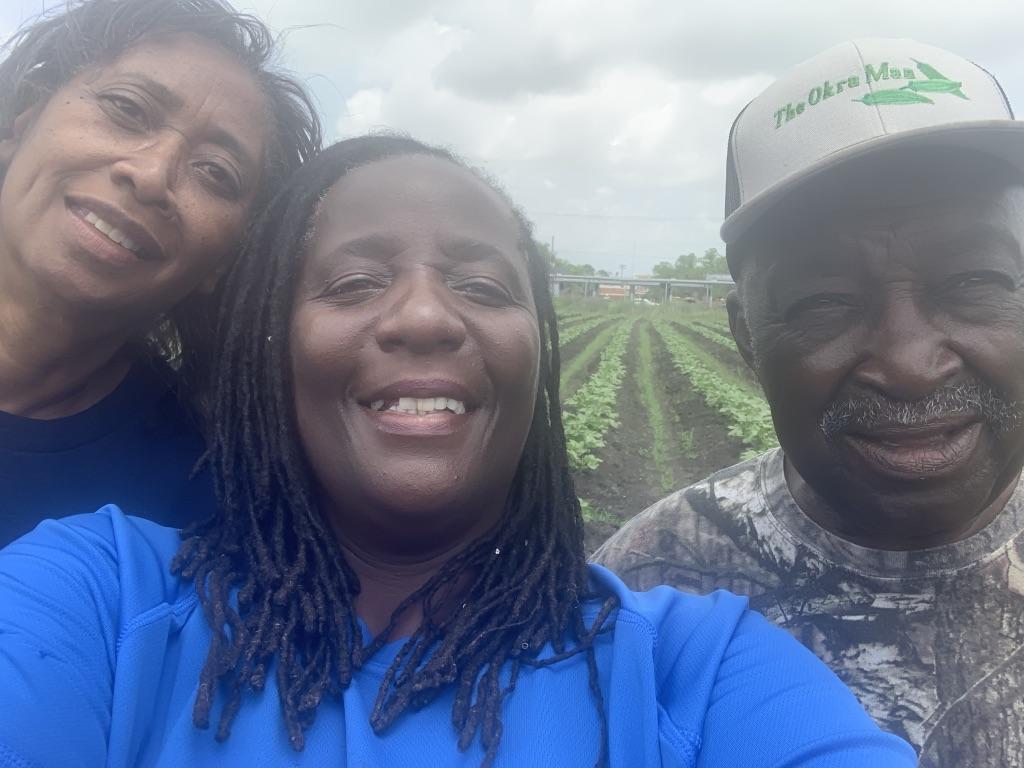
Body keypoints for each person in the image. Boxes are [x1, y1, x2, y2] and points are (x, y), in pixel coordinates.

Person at [0, 135, 915, 767]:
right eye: (355, 282)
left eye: (481, 284)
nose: (427, 316)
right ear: (265, 348)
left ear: (538, 350)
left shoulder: (692, 674)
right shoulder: (99, 602)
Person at [592, 38, 1024, 768]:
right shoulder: (646, 594)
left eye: (973, 281)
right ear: (746, 336)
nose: (909, 365)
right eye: (826, 300)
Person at [0, 0, 321, 546]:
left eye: (215, 172)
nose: (151, 175)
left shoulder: (206, 503)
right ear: (23, 124)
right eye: (127, 108)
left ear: (224, 263)